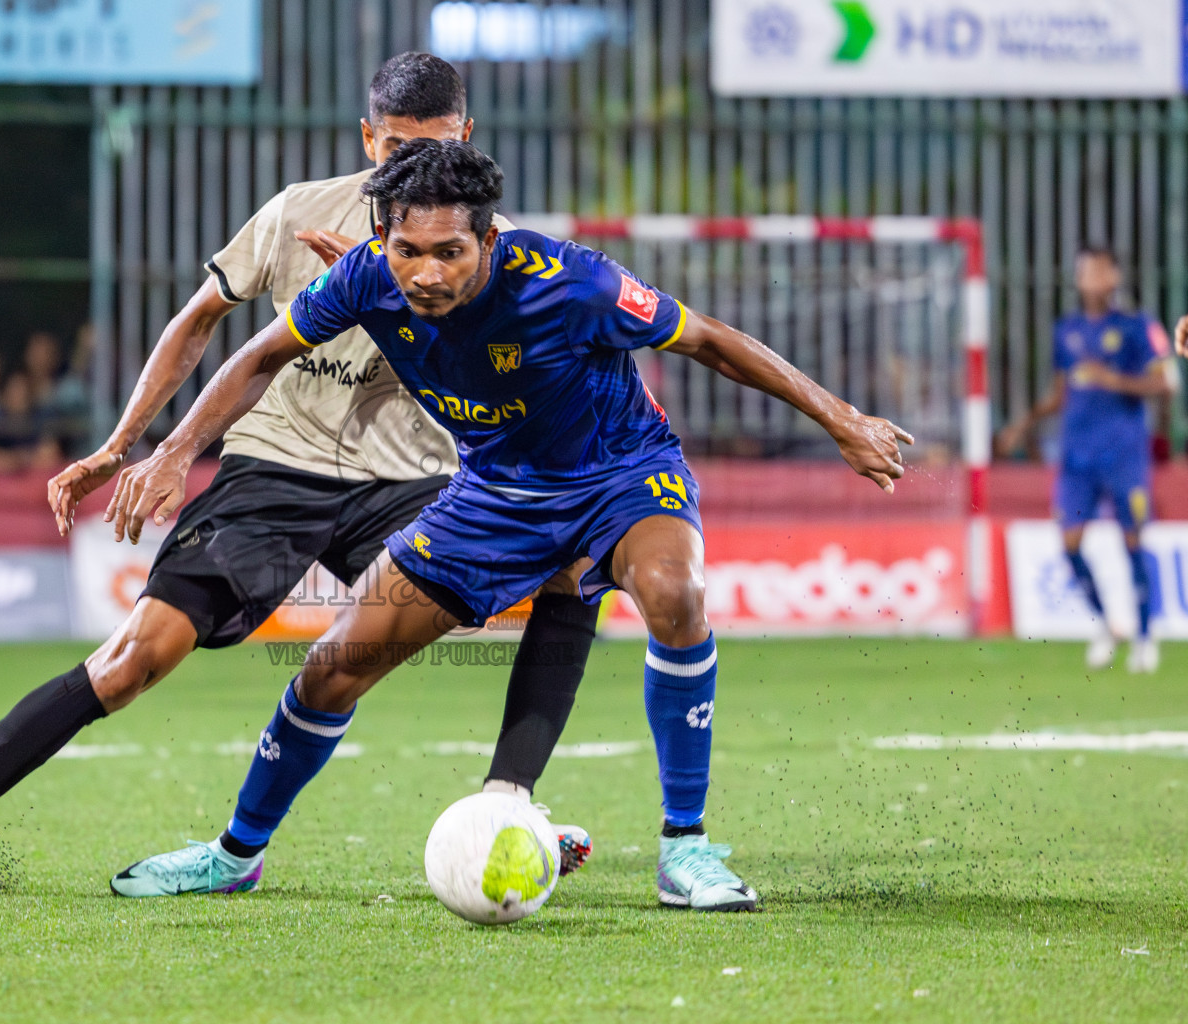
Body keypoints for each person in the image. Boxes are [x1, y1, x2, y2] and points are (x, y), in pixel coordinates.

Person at [88, 140, 910, 910]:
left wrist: (838, 418)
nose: (426, 273)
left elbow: (710, 341)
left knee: (674, 591)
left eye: (450, 251)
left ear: (488, 239)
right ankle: (232, 857)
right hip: (494, 494)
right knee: (332, 669)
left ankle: (685, 849)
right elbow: (259, 355)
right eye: (408, 250)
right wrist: (176, 451)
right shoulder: (362, 280)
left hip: (619, 475)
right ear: (383, 236)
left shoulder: (570, 281)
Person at [0, 54, 597, 900]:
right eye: (393, 150)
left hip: (413, 478)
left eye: (430, 149)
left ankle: (508, 808)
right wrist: (131, 446)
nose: (410, 171)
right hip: (278, 463)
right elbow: (202, 322)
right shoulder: (298, 213)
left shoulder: (485, 249)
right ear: (367, 137)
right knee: (133, 660)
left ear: (465, 137)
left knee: (573, 566)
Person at [998, 247, 1178, 673]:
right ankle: (1105, 624)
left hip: (1123, 454)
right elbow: (1061, 394)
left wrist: (1112, 378)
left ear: (1114, 276)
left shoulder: (1137, 326)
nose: (1091, 279)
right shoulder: (1067, 331)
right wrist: (1022, 425)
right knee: (1069, 544)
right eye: (1084, 272)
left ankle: (1145, 636)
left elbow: (1166, 382)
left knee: (1132, 541)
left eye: (1099, 271)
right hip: (1076, 456)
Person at [0, 370, 64, 472]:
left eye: (24, 390)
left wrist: (22, 459)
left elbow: (50, 452)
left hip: (33, 475)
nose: (21, 395)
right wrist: (4, 459)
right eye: (15, 390)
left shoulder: (43, 415)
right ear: (5, 393)